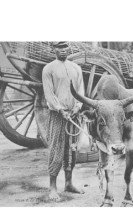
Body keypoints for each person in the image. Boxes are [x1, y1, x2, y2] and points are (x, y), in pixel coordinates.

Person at [42, 41, 85, 201]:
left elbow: (81, 89)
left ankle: (69, 183)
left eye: (65, 47)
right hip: (58, 115)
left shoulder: (76, 68)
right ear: (54, 49)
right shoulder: (48, 69)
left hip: (74, 115)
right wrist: (60, 109)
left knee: (72, 150)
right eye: (59, 48)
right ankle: (52, 187)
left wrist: (77, 107)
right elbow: (49, 93)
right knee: (56, 149)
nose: (63, 50)